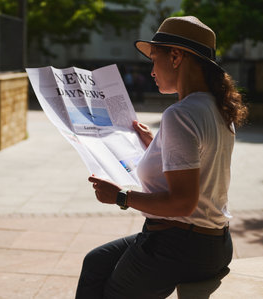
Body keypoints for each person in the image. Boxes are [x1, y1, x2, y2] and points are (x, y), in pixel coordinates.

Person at [75, 16, 248, 299]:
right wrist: (155, 143)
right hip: (214, 243)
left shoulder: (180, 114)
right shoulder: (217, 108)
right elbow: (197, 164)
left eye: (155, 59)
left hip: (178, 245)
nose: (151, 70)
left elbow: (183, 202)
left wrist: (121, 197)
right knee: (97, 261)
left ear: (176, 56)